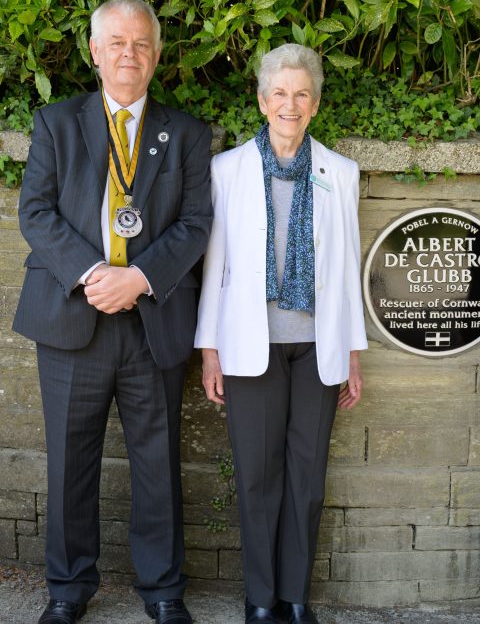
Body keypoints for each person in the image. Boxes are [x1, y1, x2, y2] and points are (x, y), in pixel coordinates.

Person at [13, 0, 212, 624]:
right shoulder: (56, 124)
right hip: (75, 317)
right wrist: (97, 274)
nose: (130, 54)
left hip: (152, 319)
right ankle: (68, 588)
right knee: (70, 460)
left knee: (158, 463)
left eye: (142, 44)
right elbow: (35, 213)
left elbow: (197, 222)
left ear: (156, 56)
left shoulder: (185, 133)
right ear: (95, 52)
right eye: (117, 43)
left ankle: (162, 591)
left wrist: (141, 277)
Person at [194, 43, 366, 624]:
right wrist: (209, 350)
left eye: (301, 94)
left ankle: (295, 597)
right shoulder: (227, 170)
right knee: (258, 476)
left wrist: (354, 354)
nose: (289, 104)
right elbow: (214, 267)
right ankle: (261, 599)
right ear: (262, 100)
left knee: (307, 477)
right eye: (279, 93)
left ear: (313, 104)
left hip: (319, 346)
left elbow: (347, 268)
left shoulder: (339, 174)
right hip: (251, 345)